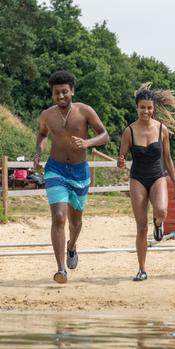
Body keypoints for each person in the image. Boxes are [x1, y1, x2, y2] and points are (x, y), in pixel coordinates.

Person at [34, 70, 109, 283]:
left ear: (72, 91)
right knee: (59, 217)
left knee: (75, 222)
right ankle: (60, 270)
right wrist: (39, 154)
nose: (60, 96)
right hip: (55, 169)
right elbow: (42, 134)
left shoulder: (85, 111)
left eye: (64, 92)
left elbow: (104, 134)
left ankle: (72, 246)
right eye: (56, 93)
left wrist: (86, 143)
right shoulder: (47, 115)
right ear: (52, 94)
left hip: (79, 172)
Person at [117, 83, 175, 282]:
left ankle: (159, 223)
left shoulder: (162, 130)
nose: (146, 111)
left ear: (154, 109)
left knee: (162, 211)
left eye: (149, 108)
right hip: (137, 178)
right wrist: (120, 162)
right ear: (136, 108)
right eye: (142, 107)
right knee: (141, 227)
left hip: (157, 177)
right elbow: (122, 159)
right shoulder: (129, 131)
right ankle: (142, 269)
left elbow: (168, 159)